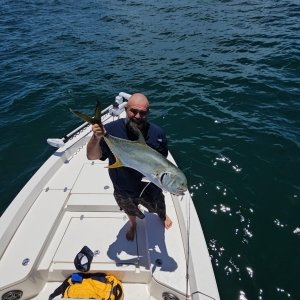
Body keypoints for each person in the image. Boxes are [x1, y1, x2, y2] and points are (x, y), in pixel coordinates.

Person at [87, 93, 172, 241]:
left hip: (150, 187)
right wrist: (96, 138)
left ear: (148, 113)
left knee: (159, 205)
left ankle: (162, 215)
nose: (137, 116)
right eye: (133, 111)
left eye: (142, 113)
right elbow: (92, 156)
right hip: (123, 188)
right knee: (129, 209)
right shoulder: (110, 130)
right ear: (126, 109)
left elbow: (163, 165)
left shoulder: (158, 133)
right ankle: (133, 224)